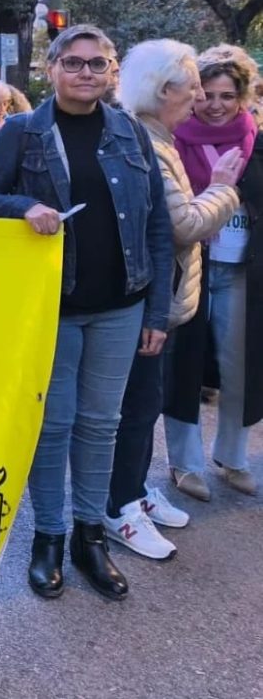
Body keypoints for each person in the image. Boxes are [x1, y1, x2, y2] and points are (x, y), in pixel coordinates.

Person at [0, 25, 172, 602]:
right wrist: (23, 205)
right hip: (51, 308)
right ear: (51, 69)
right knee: (52, 426)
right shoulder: (26, 132)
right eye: (73, 63)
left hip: (121, 307)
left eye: (96, 64)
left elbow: (156, 223)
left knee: (101, 425)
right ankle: (48, 537)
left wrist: (158, 309)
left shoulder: (130, 131)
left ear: (111, 73)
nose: (85, 73)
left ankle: (89, 536)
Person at [103, 41, 239, 561]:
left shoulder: (157, 135)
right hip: (148, 305)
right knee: (136, 409)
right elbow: (182, 225)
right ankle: (119, 508)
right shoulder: (147, 142)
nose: (201, 97)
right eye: (193, 86)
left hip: (164, 300)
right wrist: (224, 189)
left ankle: (133, 493)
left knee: (144, 406)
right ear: (165, 91)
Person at [167, 44, 263, 499]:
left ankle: (232, 457)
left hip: (242, 268)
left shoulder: (256, 139)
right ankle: (185, 465)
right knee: (184, 366)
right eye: (207, 93)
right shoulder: (172, 139)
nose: (217, 104)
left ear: (242, 97)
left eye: (228, 95)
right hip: (191, 267)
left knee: (239, 366)